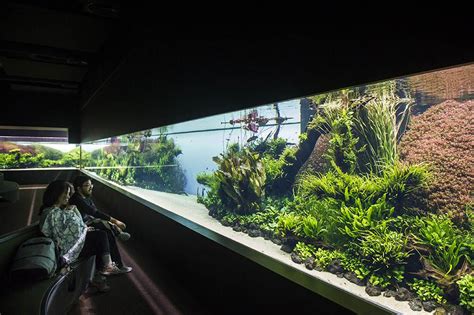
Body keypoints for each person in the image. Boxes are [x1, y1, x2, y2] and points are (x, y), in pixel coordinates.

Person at [39, 180, 122, 292]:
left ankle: (100, 275)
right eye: (66, 194)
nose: (68, 197)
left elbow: (69, 229)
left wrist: (84, 229)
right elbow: (61, 234)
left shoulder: (57, 211)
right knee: (100, 237)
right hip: (65, 249)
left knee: (100, 238)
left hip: (70, 242)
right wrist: (83, 230)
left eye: (69, 194)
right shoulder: (51, 213)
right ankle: (106, 268)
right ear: (56, 194)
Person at [69, 175, 132, 275]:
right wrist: (115, 221)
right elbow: (93, 212)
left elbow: (96, 212)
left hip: (88, 223)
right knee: (104, 231)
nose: (91, 187)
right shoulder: (77, 199)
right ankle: (117, 235)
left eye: (91, 185)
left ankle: (110, 266)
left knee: (106, 231)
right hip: (80, 228)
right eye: (87, 185)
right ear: (79, 188)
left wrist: (107, 220)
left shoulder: (86, 197)